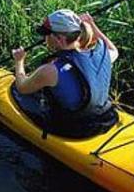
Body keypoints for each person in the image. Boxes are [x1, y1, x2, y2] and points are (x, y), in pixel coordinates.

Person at [11, 9, 119, 138]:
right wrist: (92, 24)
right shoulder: (102, 53)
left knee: (21, 94)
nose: (45, 38)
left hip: (75, 128)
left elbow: (22, 87)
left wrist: (19, 61)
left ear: (59, 39)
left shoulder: (50, 70)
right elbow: (114, 50)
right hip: (104, 117)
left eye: (47, 34)